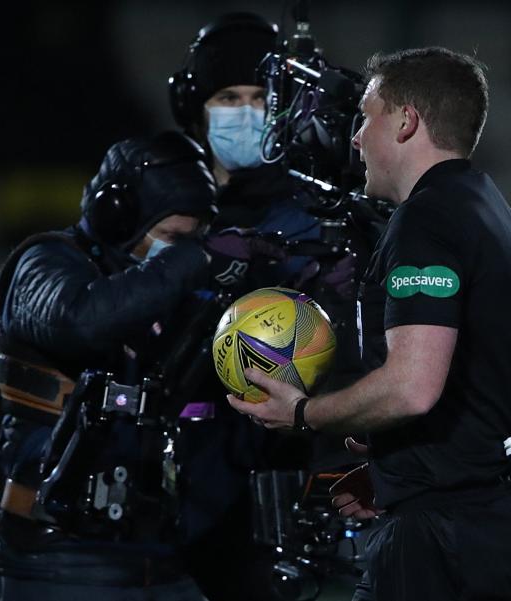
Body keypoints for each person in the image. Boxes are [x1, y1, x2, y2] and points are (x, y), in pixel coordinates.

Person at [229, 47, 511, 601]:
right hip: (492, 528)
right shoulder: (508, 223)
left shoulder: (425, 221)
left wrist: (303, 413)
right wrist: (404, 469)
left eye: (366, 114)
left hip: (435, 541)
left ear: (406, 121)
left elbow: (412, 387)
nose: (355, 137)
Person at [0, 131, 236, 600]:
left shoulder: (172, 293)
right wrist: (191, 260)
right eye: (172, 238)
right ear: (117, 216)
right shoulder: (44, 263)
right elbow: (79, 320)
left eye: (197, 238)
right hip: (57, 556)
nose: (184, 250)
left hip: (160, 553)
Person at [167, 12, 368, 601]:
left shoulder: (318, 213)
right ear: (194, 107)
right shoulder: (165, 210)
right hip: (177, 495)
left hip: (285, 477)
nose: (245, 111)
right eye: (228, 96)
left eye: (259, 96)